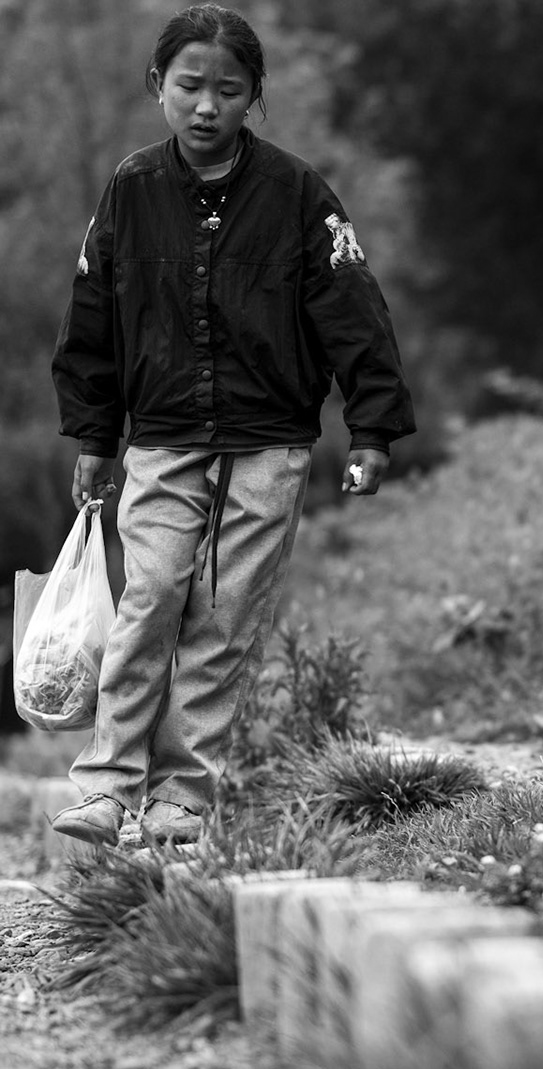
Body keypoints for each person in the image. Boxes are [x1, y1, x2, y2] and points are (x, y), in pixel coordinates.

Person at [49, 3, 413, 848]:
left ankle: (183, 798)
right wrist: (95, 438)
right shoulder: (132, 190)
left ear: (255, 96)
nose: (206, 106)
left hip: (272, 437)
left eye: (228, 89)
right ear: (158, 87)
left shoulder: (296, 193)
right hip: (164, 434)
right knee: (151, 597)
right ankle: (107, 787)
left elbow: (353, 310)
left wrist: (372, 430)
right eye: (189, 86)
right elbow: (93, 315)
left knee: (228, 615)